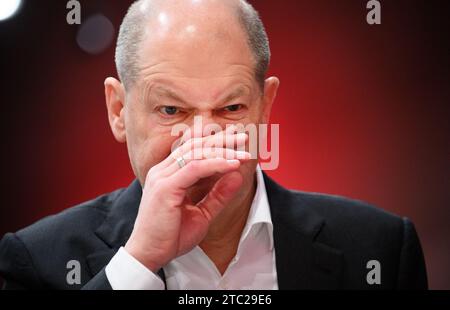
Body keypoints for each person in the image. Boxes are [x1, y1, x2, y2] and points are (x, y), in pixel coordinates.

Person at [0, 0, 427, 290]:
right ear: (118, 110)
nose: (203, 138)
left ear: (265, 106)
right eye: (171, 110)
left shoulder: (382, 248)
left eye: (231, 108)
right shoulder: (36, 261)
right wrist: (138, 261)